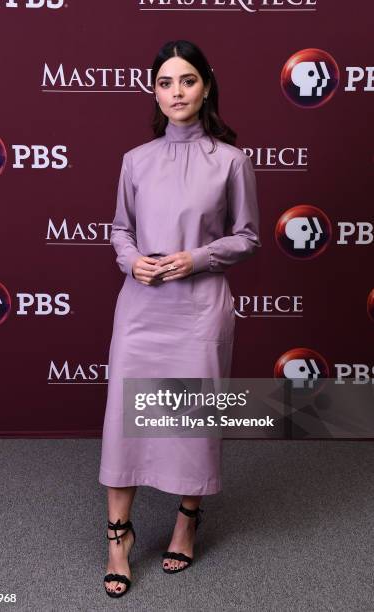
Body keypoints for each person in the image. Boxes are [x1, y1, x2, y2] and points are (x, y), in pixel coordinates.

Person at [99, 39, 261, 598]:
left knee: (191, 419)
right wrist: (130, 259)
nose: (177, 92)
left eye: (187, 81)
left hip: (198, 310)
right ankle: (117, 535)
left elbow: (248, 237)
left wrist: (196, 258)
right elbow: (119, 229)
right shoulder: (135, 160)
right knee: (127, 416)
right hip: (141, 308)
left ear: (207, 85)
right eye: (165, 83)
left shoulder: (231, 161)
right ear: (154, 90)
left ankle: (186, 519)